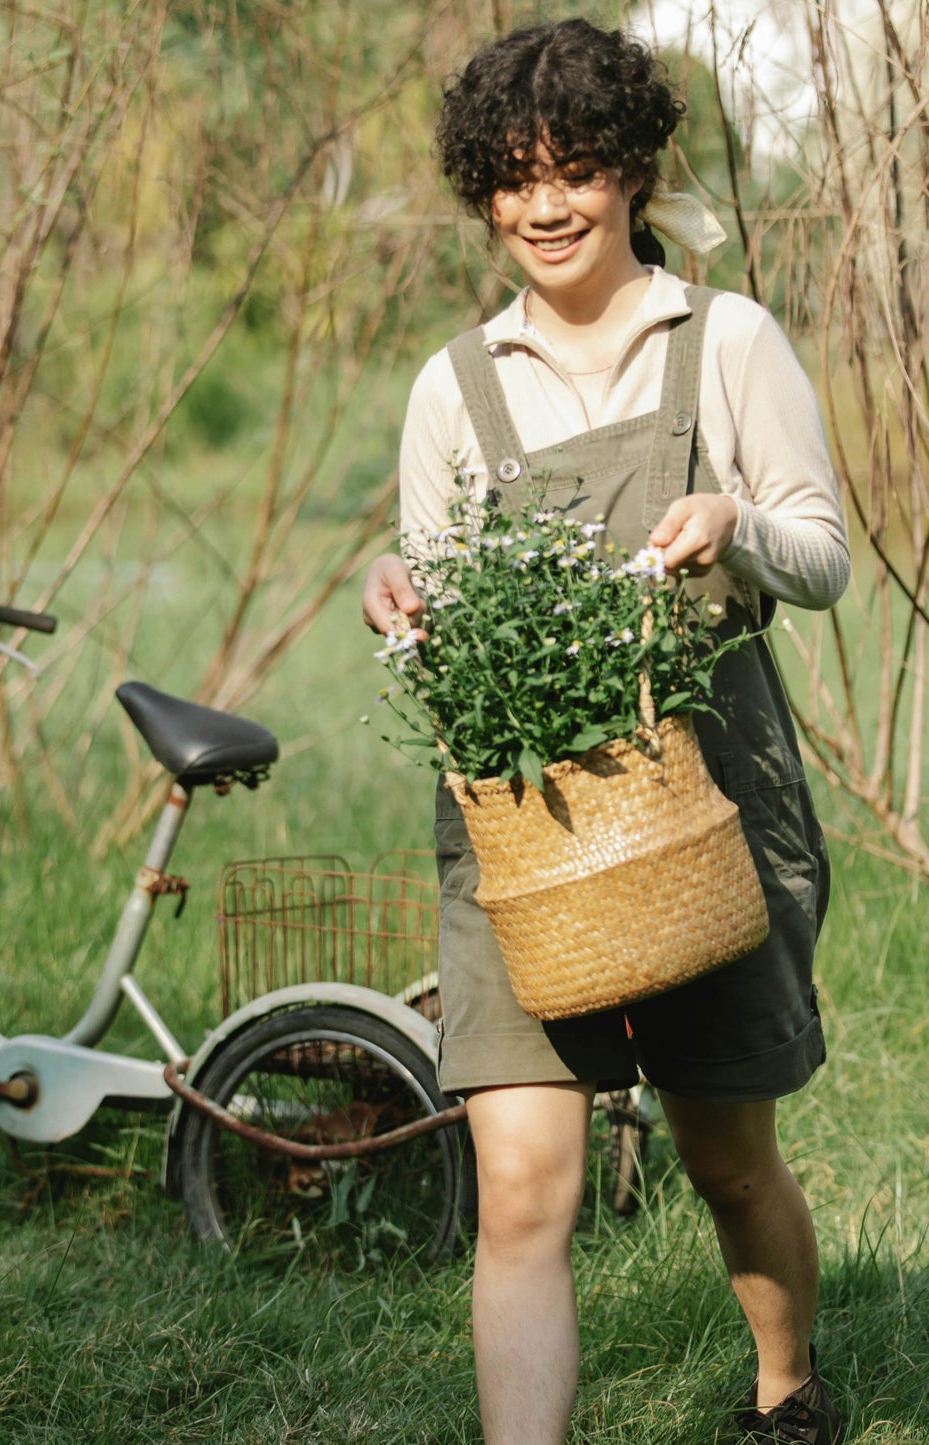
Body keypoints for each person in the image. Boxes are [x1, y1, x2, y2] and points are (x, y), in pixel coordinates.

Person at [360, 19, 851, 1445]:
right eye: (513, 180)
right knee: (521, 1181)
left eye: (573, 170)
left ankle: (785, 1395)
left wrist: (737, 529)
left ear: (629, 173)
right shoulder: (455, 384)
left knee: (724, 1154)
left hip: (701, 804)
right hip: (521, 830)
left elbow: (823, 557)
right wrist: (401, 596)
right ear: (483, 194)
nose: (545, 206)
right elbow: (436, 588)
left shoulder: (726, 339)